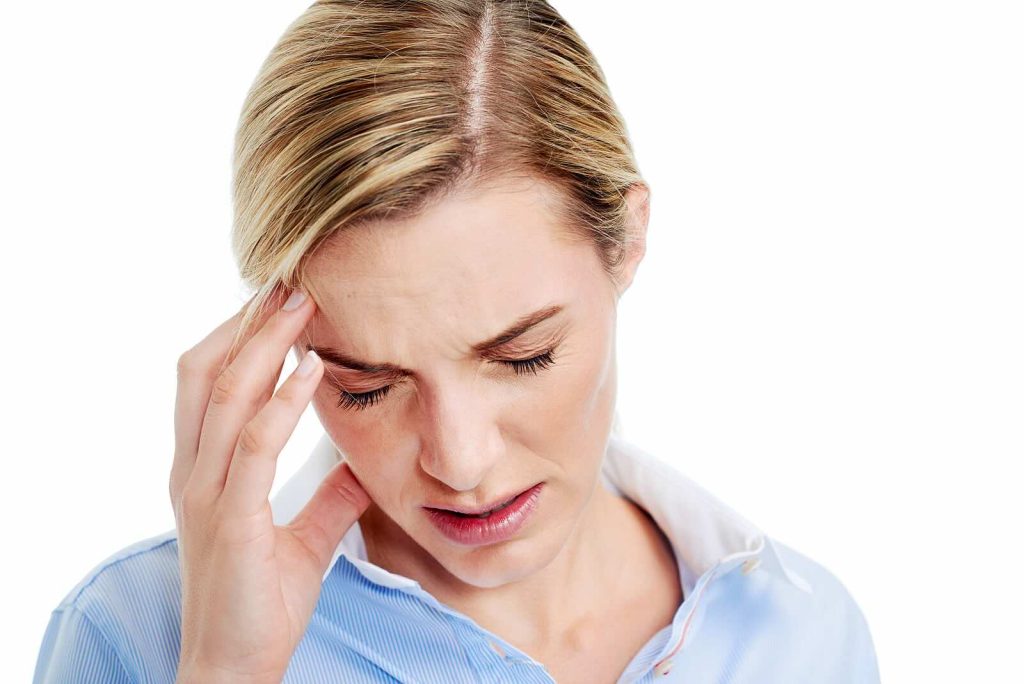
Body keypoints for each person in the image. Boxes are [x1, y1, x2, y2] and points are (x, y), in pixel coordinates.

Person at [33, 1, 881, 682]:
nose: (462, 463)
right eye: (365, 385)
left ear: (624, 242)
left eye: (523, 357)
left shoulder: (803, 636)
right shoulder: (135, 637)